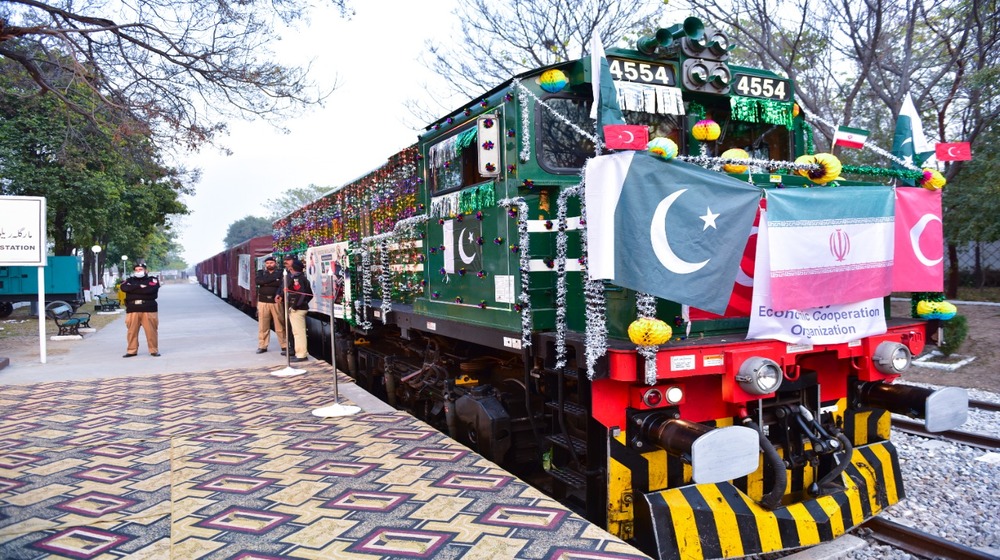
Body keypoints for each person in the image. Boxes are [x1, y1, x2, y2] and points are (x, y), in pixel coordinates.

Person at [120, 262, 160, 357]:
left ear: (146, 271)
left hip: (149, 309)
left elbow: (151, 290)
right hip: (132, 309)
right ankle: (131, 351)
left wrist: (133, 290)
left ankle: (153, 350)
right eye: (136, 270)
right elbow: (124, 288)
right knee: (131, 332)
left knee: (151, 332)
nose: (138, 271)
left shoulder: (153, 280)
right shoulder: (129, 280)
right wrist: (140, 287)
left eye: (140, 269)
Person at [255, 256, 287, 355]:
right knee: (263, 325)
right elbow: (258, 281)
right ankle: (262, 345)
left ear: (275, 263)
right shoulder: (261, 272)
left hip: (276, 302)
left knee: (280, 324)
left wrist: (266, 281)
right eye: (267, 263)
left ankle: (284, 345)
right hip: (263, 301)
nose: (269, 265)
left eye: (271, 263)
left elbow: (281, 284)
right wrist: (274, 280)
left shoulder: (281, 272)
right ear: (265, 264)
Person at [284, 259, 313, 363]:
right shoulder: (303, 278)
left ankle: (301, 354)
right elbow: (310, 294)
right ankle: (300, 353)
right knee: (298, 332)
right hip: (301, 307)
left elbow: (300, 293)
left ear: (292, 268)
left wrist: (295, 306)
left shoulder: (297, 278)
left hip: (297, 309)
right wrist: (304, 303)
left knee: (298, 333)